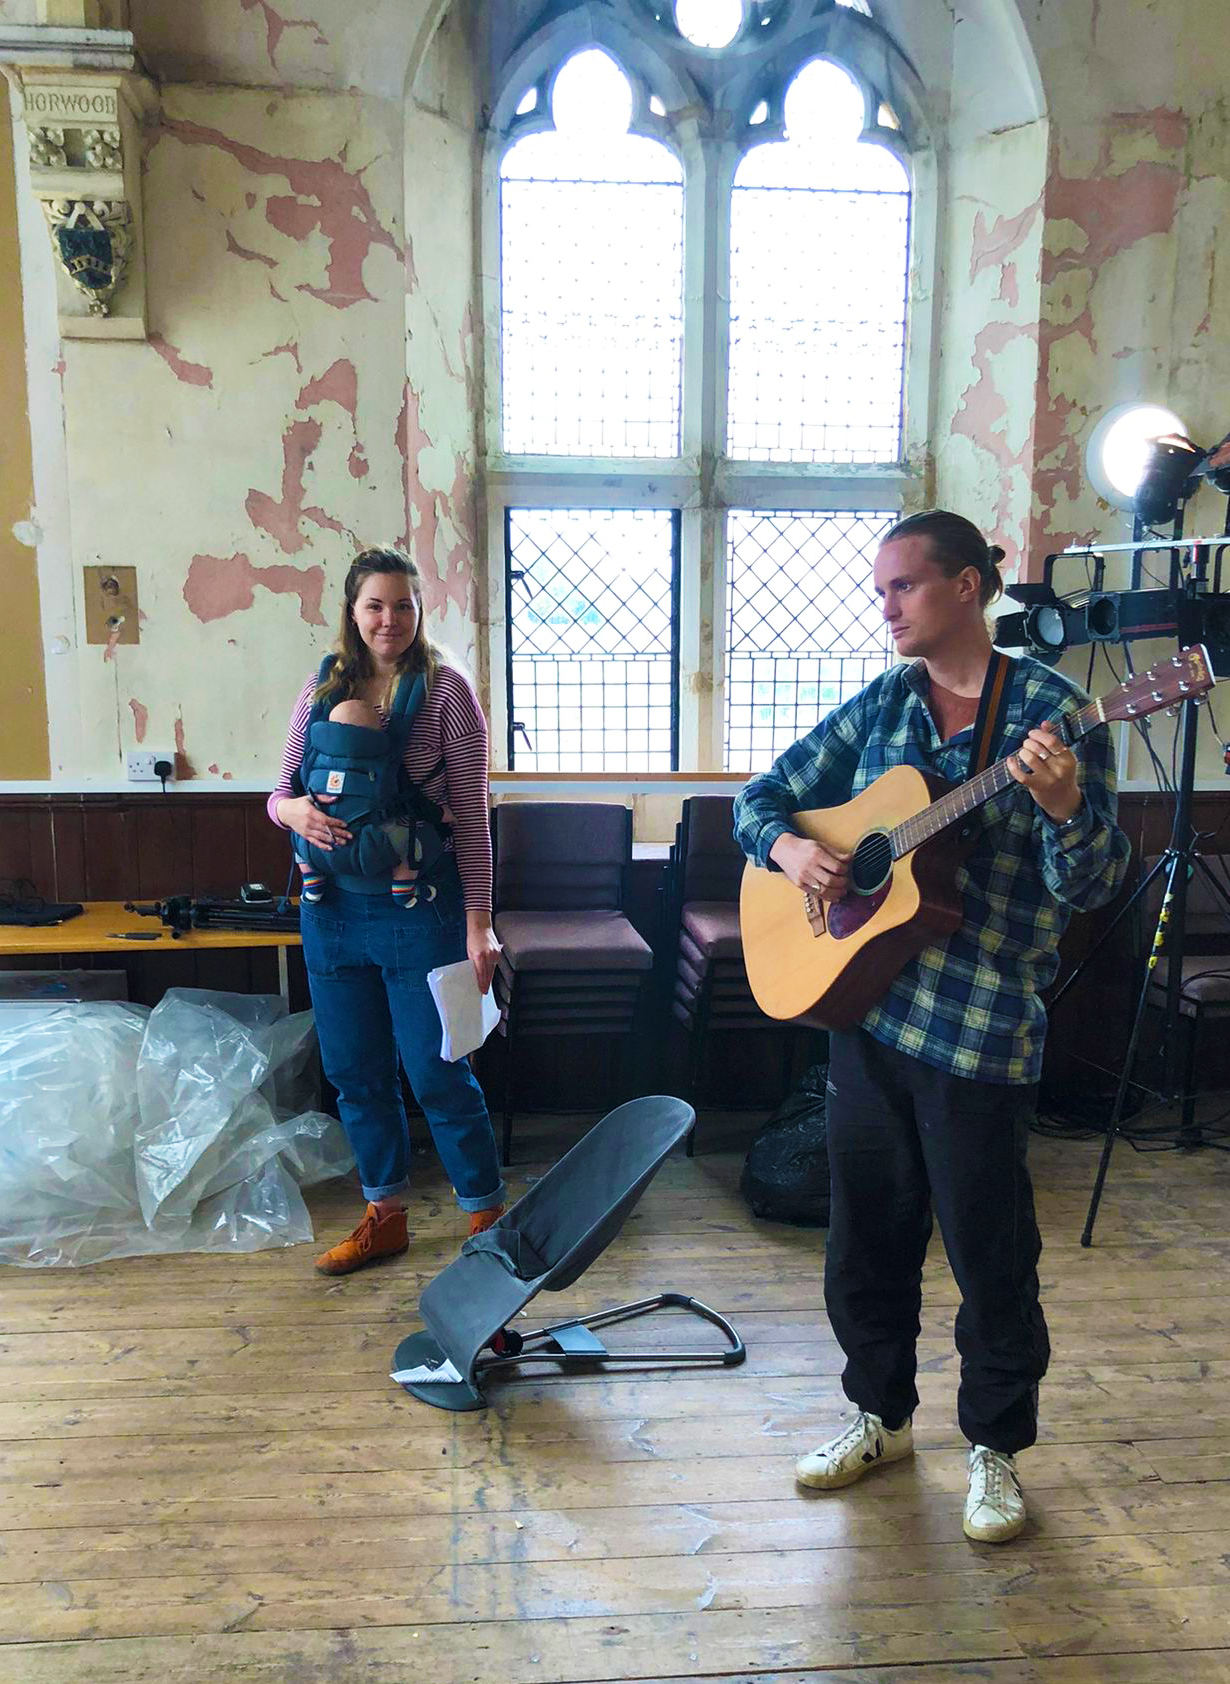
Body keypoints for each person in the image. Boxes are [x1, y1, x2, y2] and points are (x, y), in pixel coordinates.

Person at [733, 509, 1129, 1543]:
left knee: (991, 1254)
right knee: (865, 1239)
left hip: (984, 1029)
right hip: (868, 1014)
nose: (887, 607)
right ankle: (881, 1416)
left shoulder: (1056, 712)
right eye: (880, 590)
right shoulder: (887, 702)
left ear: (968, 586)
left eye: (903, 586)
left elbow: (1092, 879)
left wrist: (1064, 806)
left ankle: (995, 1451)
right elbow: (759, 797)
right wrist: (792, 856)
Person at [269, 546, 506, 1276]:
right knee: (355, 1075)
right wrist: (294, 811)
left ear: (417, 611)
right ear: (352, 611)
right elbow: (276, 792)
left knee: (439, 1072)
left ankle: (488, 1224)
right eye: (375, 605)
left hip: (420, 915)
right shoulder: (320, 687)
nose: (390, 619)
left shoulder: (447, 694)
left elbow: (471, 816)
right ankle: (385, 1216)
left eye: (403, 605)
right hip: (330, 911)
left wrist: (479, 923)